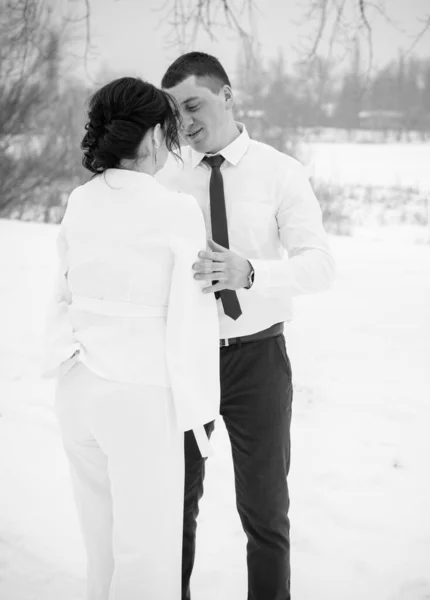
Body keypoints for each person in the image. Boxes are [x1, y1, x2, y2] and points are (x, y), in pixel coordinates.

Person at [156, 52, 336, 600]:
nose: (183, 122)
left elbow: (320, 266)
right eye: (174, 112)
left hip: (259, 361)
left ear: (227, 96)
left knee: (265, 512)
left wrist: (250, 271)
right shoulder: (164, 179)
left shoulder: (281, 171)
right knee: (173, 510)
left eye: (193, 105)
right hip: (186, 361)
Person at [42, 77, 221, 600]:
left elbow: (62, 291)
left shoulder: (80, 199)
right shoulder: (175, 210)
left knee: (102, 544)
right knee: (147, 554)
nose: (172, 141)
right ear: (147, 137)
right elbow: (192, 321)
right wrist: (199, 417)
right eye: (166, 130)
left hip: (77, 386)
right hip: (141, 396)